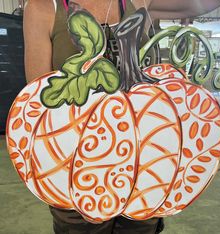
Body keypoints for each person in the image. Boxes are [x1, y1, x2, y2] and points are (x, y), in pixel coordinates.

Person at [23, 0, 164, 233]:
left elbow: (201, 5)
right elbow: (39, 106)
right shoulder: (43, 8)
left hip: (142, 163)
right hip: (76, 169)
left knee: (141, 227)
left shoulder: (137, 2)